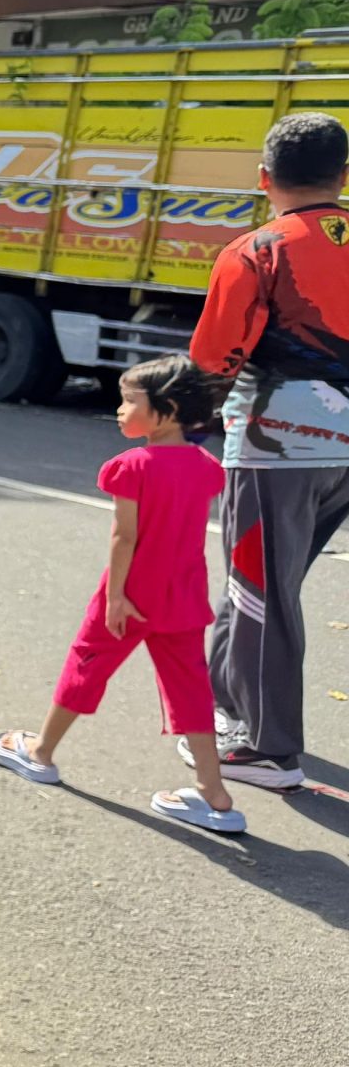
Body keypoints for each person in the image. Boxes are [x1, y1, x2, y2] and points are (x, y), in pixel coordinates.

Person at [0, 356, 241, 832]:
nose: (120, 411)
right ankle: (214, 792)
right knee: (190, 689)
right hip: (183, 598)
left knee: (87, 664)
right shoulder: (208, 468)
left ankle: (41, 752)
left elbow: (126, 536)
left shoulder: (130, 466)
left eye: (129, 402)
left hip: (130, 594)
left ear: (165, 409)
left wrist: (117, 596)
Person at [186, 111, 349, 791]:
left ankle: (266, 747)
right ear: (343, 177)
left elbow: (213, 358)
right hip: (342, 454)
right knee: (255, 588)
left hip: (276, 446)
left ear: (264, 178)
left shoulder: (256, 250)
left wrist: (186, 424)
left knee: (260, 595)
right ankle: (228, 707)